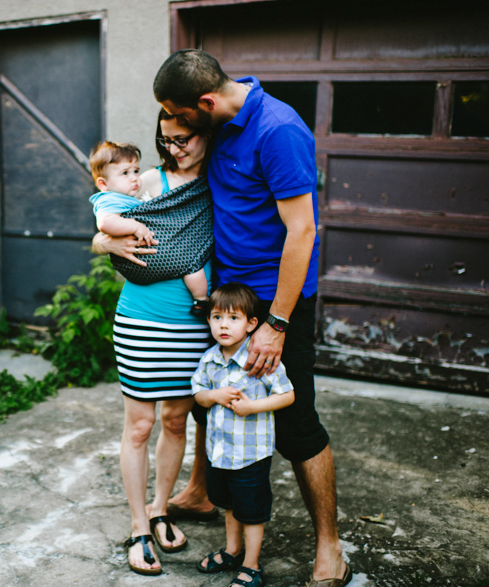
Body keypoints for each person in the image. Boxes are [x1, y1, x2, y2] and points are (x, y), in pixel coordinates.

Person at [152, 49, 351, 587]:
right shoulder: (219, 122)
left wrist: (277, 322)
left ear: (208, 101)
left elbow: (302, 232)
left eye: (181, 114)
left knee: (295, 424)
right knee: (209, 400)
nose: (177, 127)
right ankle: (200, 491)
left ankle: (329, 547)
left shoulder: (278, 129)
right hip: (228, 298)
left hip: (275, 302)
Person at [89, 112, 215, 575]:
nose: (176, 147)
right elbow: (107, 221)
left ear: (205, 136)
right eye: (168, 140)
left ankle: (161, 508)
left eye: (184, 139)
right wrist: (106, 244)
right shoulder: (147, 181)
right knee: (140, 426)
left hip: (193, 325)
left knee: (177, 420)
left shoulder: (219, 183)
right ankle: (140, 525)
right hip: (142, 322)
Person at [192, 283, 295, 587]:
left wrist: (253, 407)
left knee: (251, 511)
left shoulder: (260, 358)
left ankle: (251, 564)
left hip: (250, 455)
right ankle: (233, 550)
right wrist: (214, 395)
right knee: (228, 504)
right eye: (217, 317)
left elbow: (287, 395)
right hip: (220, 452)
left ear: (252, 324)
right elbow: (198, 394)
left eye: (233, 318)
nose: (224, 325)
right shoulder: (210, 358)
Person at [88, 140, 210, 314]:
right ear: (103, 184)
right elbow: (104, 225)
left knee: (192, 267)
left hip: (189, 319)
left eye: (136, 171)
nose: (134, 178)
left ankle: (202, 300)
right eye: (125, 173)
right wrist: (125, 233)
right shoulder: (113, 198)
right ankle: (201, 300)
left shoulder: (129, 193)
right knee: (191, 266)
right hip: (142, 310)